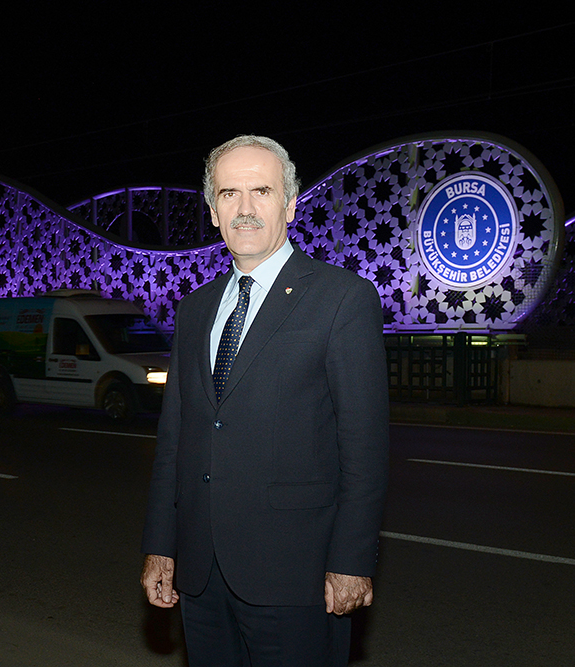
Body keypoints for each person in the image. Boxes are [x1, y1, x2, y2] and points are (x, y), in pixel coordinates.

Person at [140, 135, 389, 666]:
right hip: (201, 573)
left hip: (296, 573)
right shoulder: (195, 309)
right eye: (229, 193)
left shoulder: (342, 298)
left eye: (262, 191)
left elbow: (364, 448)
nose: (245, 208)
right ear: (213, 212)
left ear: (290, 205)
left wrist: (351, 561)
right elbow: (174, 441)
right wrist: (161, 546)